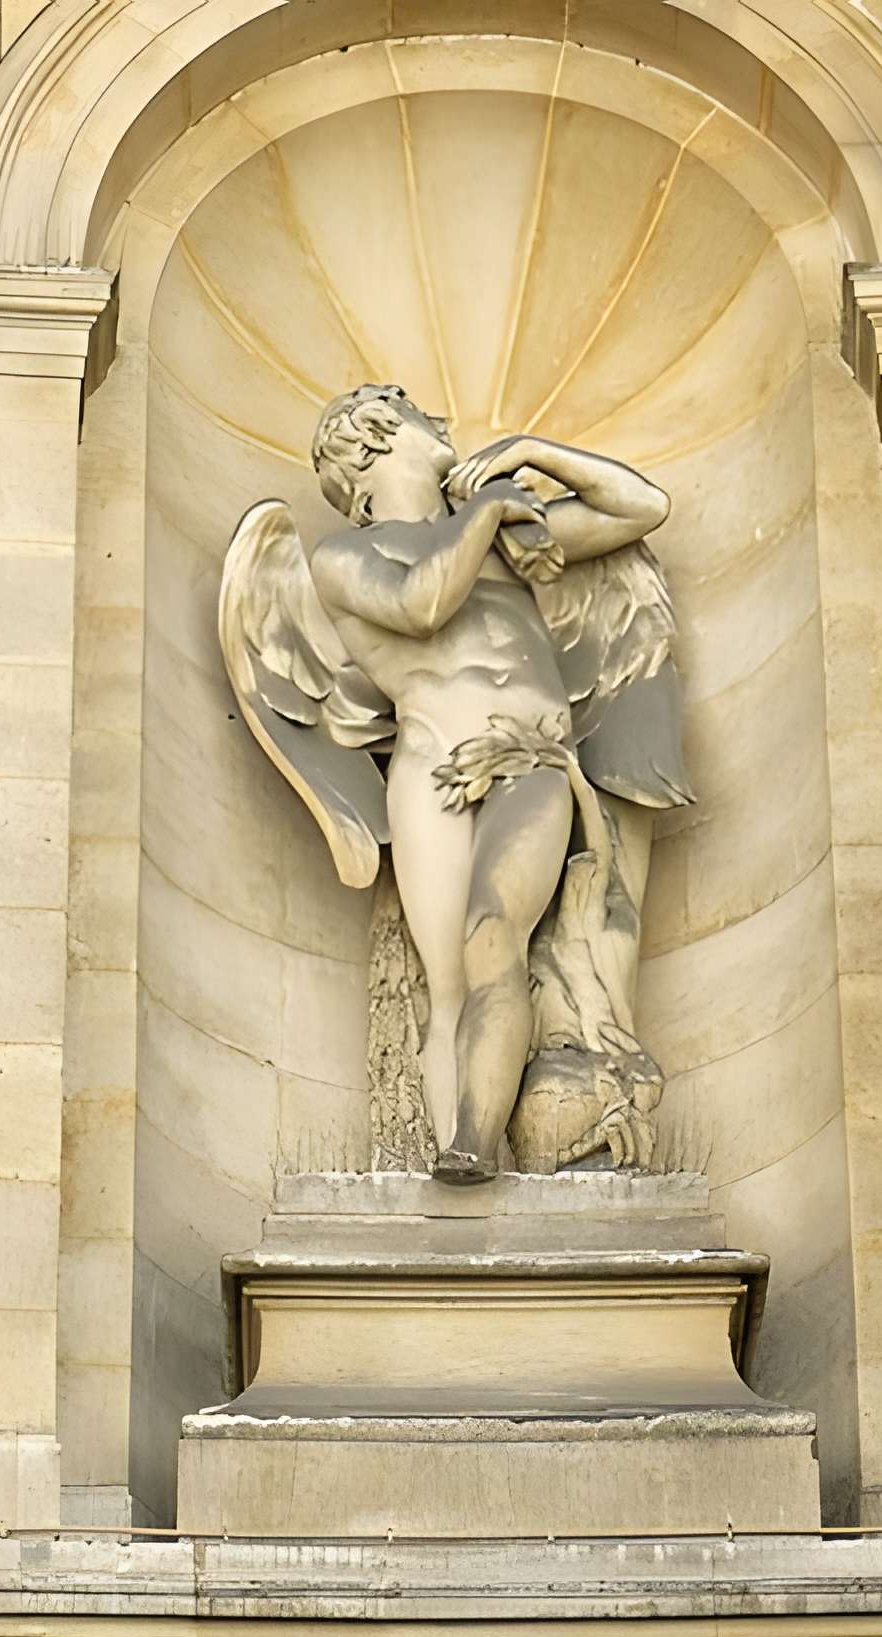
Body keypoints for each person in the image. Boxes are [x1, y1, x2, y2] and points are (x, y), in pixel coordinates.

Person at [307, 386, 671, 1180]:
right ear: (369, 443)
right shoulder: (345, 557)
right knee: (447, 989)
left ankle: (475, 1139)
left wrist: (533, 455)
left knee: (493, 934)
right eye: (412, 413)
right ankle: (456, 1157)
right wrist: (493, 507)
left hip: (528, 755)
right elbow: (422, 603)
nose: (440, 418)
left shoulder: (504, 539)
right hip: (432, 767)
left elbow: (643, 506)